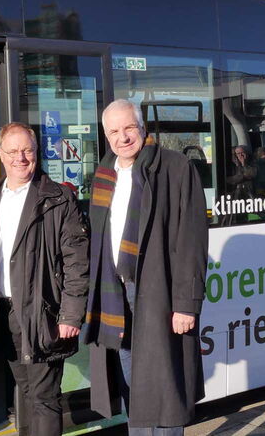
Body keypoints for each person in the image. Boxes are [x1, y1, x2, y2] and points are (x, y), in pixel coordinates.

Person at [83, 99, 208, 435]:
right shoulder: (104, 173)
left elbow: (192, 242)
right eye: (114, 131)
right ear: (106, 136)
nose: (122, 137)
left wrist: (186, 304)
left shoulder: (176, 167)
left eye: (129, 128)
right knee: (132, 388)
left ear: (142, 128)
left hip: (158, 292)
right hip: (115, 294)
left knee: (166, 391)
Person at [0, 122, 89, 436]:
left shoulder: (58, 199)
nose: (21, 157)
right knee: (26, 391)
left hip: (43, 312)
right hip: (2, 313)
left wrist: (71, 314)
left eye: (27, 150)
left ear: (37, 153)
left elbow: (77, 262)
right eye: (13, 151)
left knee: (44, 396)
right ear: (1, 155)